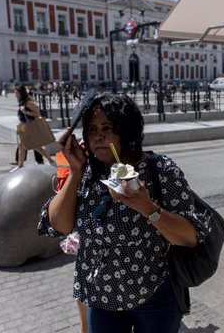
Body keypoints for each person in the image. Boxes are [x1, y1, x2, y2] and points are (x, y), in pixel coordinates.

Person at [38, 93, 210, 333]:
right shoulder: (88, 173)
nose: (98, 136)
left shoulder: (159, 170)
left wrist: (147, 207)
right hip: (101, 298)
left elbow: (190, 236)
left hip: (153, 295)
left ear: (126, 131)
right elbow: (58, 226)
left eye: (108, 128)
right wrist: (75, 172)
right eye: (92, 129)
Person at [12, 85, 54, 172]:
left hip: (29, 126)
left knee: (34, 146)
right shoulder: (22, 102)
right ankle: (20, 165)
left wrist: (25, 111)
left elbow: (37, 114)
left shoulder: (28, 102)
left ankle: (50, 160)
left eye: (16, 93)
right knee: (22, 145)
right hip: (23, 125)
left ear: (21, 93)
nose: (15, 95)